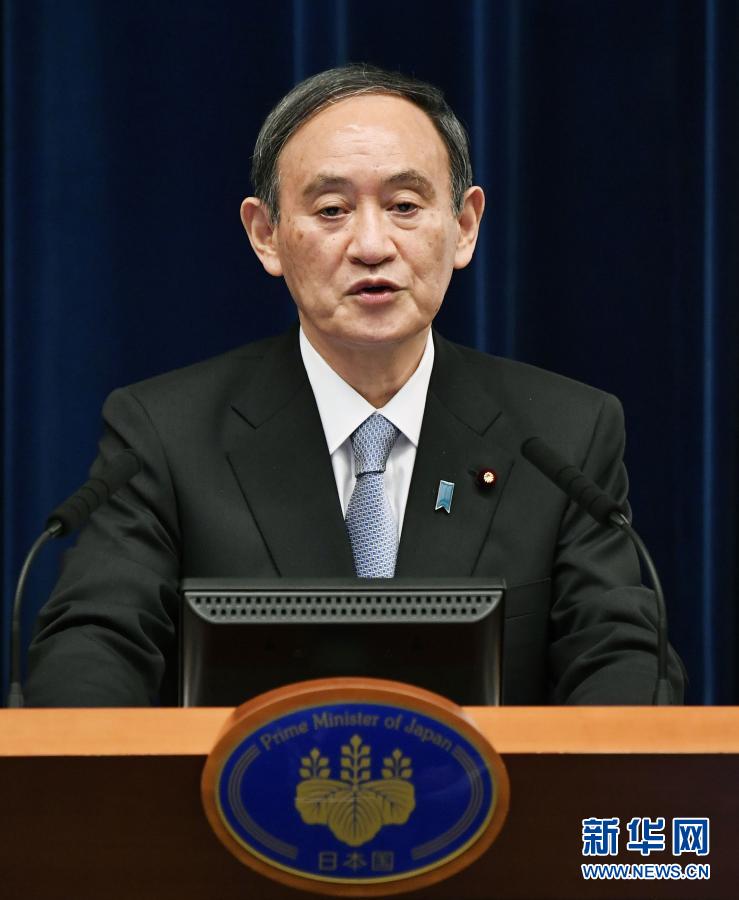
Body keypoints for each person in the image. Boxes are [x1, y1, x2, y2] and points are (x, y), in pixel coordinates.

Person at [25, 64, 685, 706]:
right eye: (333, 209)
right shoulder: (165, 435)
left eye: (404, 206)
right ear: (266, 235)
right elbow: (94, 642)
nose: (372, 245)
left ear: (463, 226)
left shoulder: (563, 435)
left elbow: (619, 653)